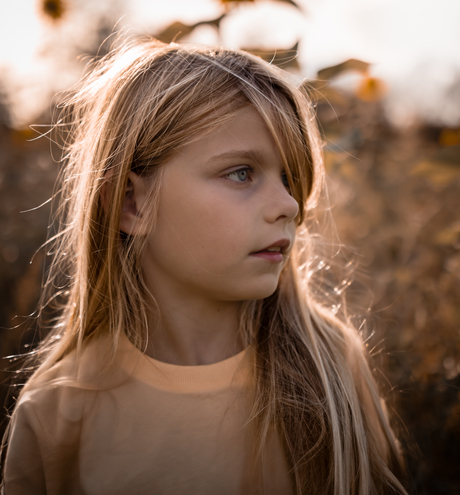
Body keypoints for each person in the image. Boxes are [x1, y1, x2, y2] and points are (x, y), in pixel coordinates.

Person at [1, 39, 407, 495]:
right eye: (241, 173)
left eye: (290, 177)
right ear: (131, 204)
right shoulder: (56, 414)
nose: (289, 204)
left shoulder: (332, 368)